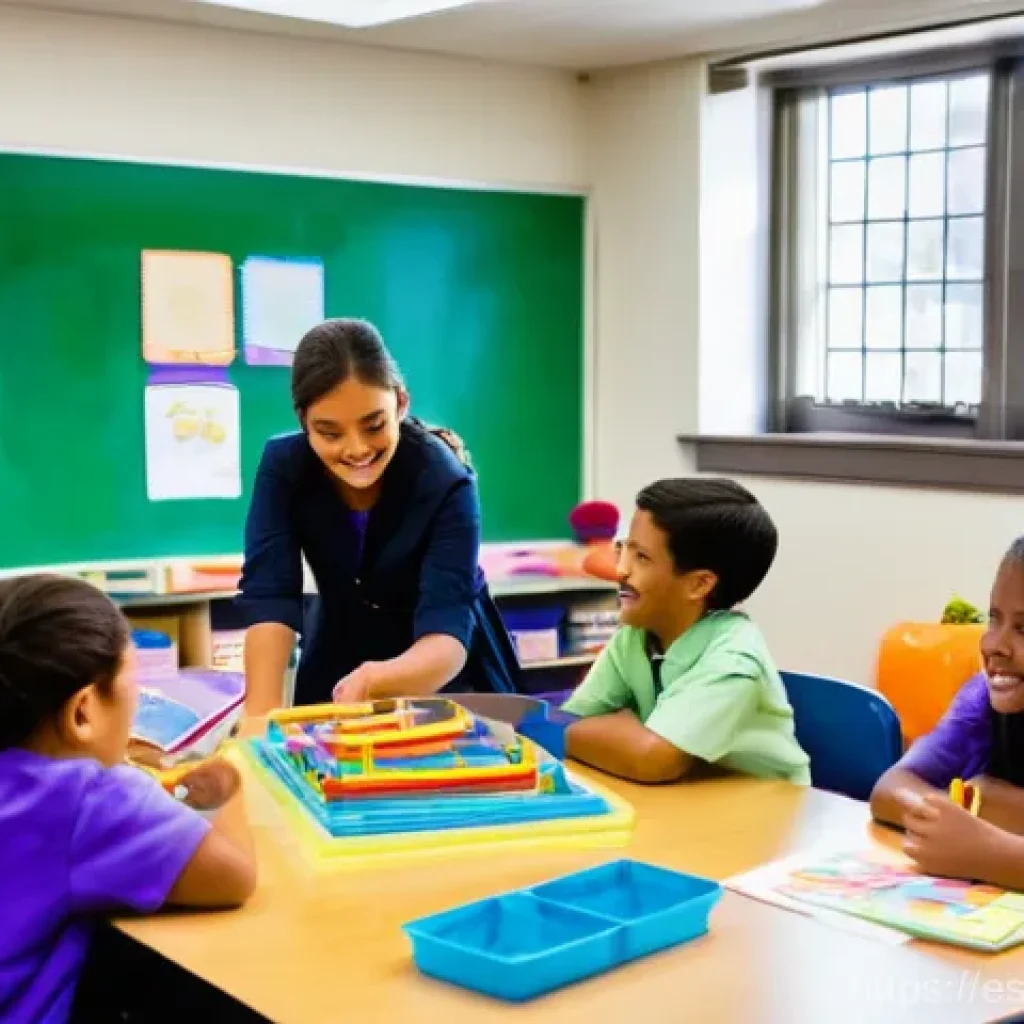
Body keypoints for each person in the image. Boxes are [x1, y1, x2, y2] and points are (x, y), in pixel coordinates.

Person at [0, 575, 256, 1024]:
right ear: (83, 712)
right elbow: (233, 874)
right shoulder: (85, 800)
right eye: (135, 689)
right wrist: (229, 776)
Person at [237, 318, 518, 713]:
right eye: (330, 433)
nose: (356, 449)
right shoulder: (284, 466)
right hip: (336, 654)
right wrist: (259, 713)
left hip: (436, 670)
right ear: (304, 422)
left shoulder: (445, 479)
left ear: (400, 403)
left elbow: (446, 628)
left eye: (374, 426)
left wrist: (378, 681)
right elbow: (271, 596)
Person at [562, 478, 810, 786]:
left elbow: (652, 759)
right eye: (623, 550)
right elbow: (573, 718)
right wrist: (611, 733)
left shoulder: (734, 659)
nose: (621, 570)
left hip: (765, 806)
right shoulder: (637, 634)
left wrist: (618, 729)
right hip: (682, 798)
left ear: (699, 584)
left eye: (642, 557)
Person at [870, 537, 1024, 888]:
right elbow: (891, 787)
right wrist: (961, 812)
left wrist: (989, 852)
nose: (994, 645)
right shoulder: (981, 701)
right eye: (994, 619)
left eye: (1023, 628)